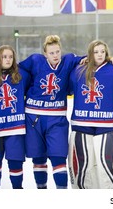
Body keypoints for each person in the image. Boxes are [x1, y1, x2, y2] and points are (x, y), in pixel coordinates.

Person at [18, 35, 85, 189]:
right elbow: (15, 69)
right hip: (34, 117)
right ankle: (42, 191)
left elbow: (88, 58)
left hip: (57, 118)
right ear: (45, 54)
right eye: (51, 53)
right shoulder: (35, 60)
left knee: (59, 158)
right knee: (38, 158)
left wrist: (110, 59)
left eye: (57, 52)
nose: (55, 55)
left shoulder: (68, 60)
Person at [67, 40, 113, 189]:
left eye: (102, 51)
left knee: (111, 168)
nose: (100, 54)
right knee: (83, 168)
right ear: (90, 54)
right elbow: (68, 89)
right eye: (96, 51)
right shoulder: (78, 70)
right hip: (82, 125)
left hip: (108, 125)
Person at [0, 45, 30, 189]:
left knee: (15, 162)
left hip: (15, 128)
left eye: (10, 57)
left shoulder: (21, 76)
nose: (8, 59)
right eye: (4, 57)